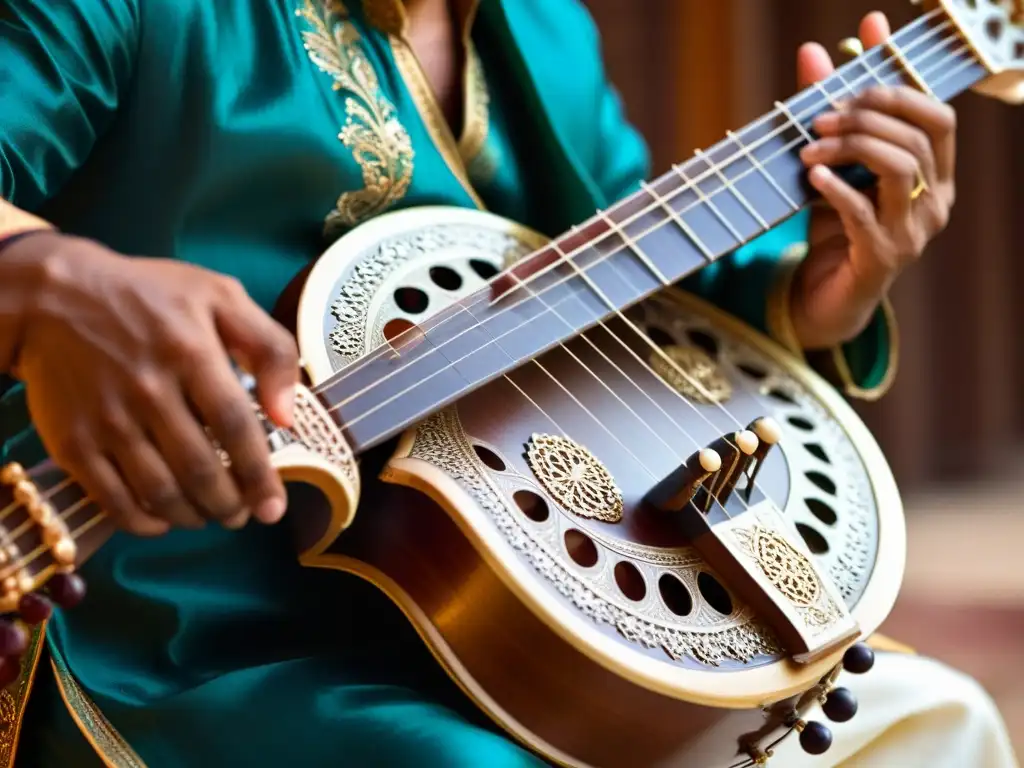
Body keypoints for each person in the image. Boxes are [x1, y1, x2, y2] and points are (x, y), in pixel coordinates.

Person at [0, 0, 1016, 765]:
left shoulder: (538, 24)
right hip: (180, 623)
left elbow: (621, 265)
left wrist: (814, 291)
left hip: (540, 619)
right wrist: (42, 279)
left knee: (936, 729)